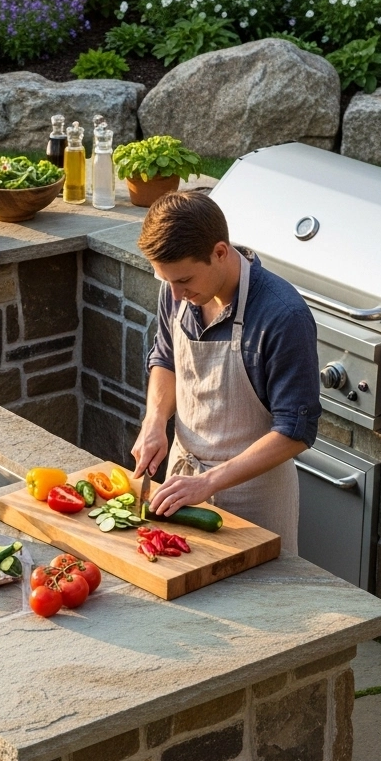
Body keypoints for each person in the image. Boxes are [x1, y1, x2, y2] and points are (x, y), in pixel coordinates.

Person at [131, 190, 321, 553]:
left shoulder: (283, 316)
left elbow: (296, 431)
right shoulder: (177, 290)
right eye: (166, 280)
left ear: (220, 252)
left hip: (256, 502)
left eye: (183, 280)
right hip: (182, 485)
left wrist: (210, 482)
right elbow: (167, 359)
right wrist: (154, 421)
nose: (174, 292)